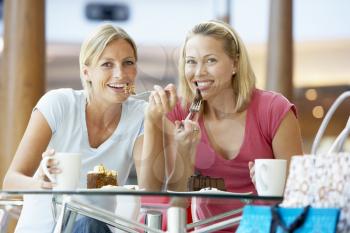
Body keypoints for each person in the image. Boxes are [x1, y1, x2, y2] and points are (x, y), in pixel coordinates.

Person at [141, 20, 303, 232]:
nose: (198, 73)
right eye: (191, 61)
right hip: (207, 229)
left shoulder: (273, 109)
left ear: (235, 64)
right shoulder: (181, 112)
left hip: (267, 228)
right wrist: (156, 124)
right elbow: (158, 200)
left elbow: (299, 193)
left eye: (210, 60)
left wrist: (268, 187)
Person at [3, 24, 147, 233]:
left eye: (128, 63)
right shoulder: (58, 104)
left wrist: (156, 122)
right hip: (44, 228)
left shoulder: (141, 114)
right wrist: (42, 183)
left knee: (90, 224)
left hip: (98, 229)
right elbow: (11, 180)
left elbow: (150, 189)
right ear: (86, 71)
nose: (120, 74)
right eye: (107, 64)